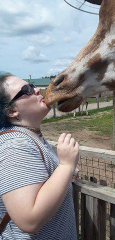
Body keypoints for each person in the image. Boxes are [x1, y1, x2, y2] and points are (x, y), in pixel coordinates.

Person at [0, 74, 79, 239]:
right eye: (26, 90)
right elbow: (29, 221)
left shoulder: (31, 136)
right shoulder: (15, 146)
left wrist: (65, 174)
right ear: (12, 111)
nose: (36, 90)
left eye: (31, 85)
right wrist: (66, 166)